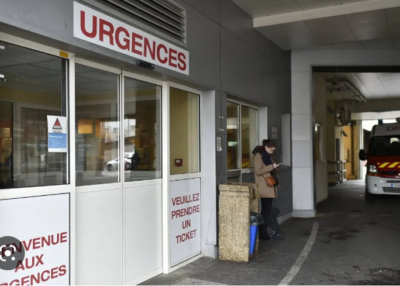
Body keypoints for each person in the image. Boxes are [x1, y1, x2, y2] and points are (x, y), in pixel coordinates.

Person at [253, 139, 280, 240]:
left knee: (267, 210)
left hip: (269, 185)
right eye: (271, 150)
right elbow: (258, 171)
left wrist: (274, 167)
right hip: (264, 185)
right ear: (267, 147)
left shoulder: (267, 156)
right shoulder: (258, 156)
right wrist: (271, 167)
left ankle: (265, 232)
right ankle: (263, 233)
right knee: (265, 210)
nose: (272, 152)